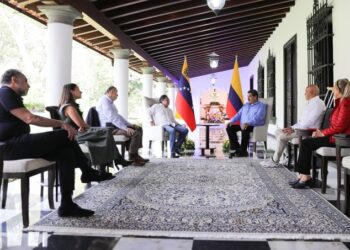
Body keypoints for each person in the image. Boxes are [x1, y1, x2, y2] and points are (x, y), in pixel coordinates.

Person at [0, 69, 111, 218]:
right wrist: (62, 123)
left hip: (17, 143)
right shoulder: (5, 92)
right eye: (25, 81)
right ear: (14, 80)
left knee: (66, 153)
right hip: (8, 146)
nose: (29, 85)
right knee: (65, 133)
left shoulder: (9, 95)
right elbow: (30, 118)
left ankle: (67, 205)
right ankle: (88, 171)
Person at [58, 83, 133, 173]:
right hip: (76, 136)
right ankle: (112, 163)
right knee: (106, 132)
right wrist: (90, 128)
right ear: (71, 91)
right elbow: (81, 124)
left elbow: (80, 125)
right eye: (78, 89)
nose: (81, 91)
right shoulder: (69, 107)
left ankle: (110, 164)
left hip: (79, 132)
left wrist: (86, 127)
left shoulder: (71, 106)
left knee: (106, 131)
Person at [291, 78, 350, 189]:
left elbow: (339, 126)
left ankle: (305, 177)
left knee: (306, 143)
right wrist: (320, 132)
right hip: (334, 136)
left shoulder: (346, 103)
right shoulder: (341, 102)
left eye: (334, 89)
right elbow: (335, 125)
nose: (333, 91)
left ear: (339, 90)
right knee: (306, 142)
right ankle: (303, 175)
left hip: (339, 139)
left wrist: (322, 133)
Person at [260, 85, 326, 167]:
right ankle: (288, 157)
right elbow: (302, 122)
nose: (304, 94)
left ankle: (274, 160)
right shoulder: (312, 103)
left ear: (311, 92)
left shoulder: (318, 104)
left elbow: (310, 122)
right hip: (301, 129)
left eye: (306, 92)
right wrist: (291, 127)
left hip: (307, 132)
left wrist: (294, 129)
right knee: (278, 131)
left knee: (281, 136)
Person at [96, 86, 148, 166]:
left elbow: (118, 117)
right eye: (116, 93)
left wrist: (130, 124)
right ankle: (132, 157)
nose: (117, 95)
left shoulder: (110, 103)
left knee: (139, 128)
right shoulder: (104, 101)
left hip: (114, 126)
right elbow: (112, 118)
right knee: (135, 133)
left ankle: (135, 154)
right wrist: (126, 128)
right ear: (111, 92)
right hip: (109, 128)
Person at [226, 89, 267, 157]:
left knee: (246, 127)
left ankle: (243, 150)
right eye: (247, 96)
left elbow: (258, 117)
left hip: (254, 125)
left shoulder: (261, 106)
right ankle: (235, 147)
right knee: (229, 127)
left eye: (250, 96)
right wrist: (232, 121)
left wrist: (248, 123)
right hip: (243, 125)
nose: (248, 98)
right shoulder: (246, 105)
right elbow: (239, 114)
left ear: (255, 97)